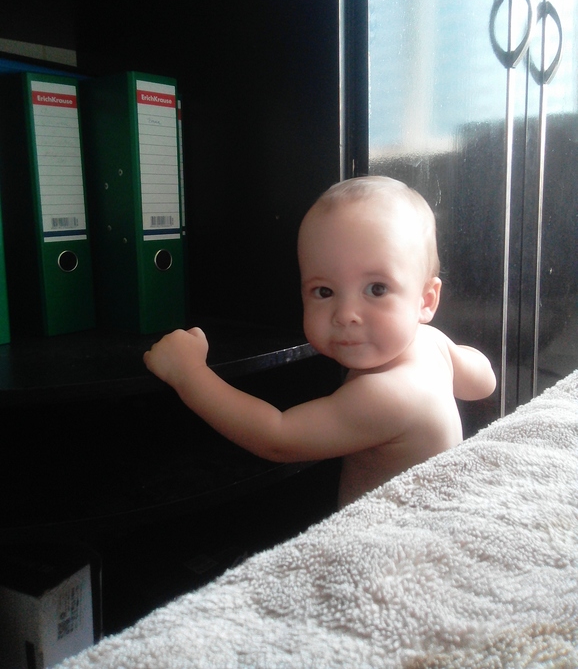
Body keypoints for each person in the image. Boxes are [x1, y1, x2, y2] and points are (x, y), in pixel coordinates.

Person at [143, 176, 496, 507]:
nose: (346, 314)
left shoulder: (387, 394)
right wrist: (455, 361)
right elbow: (483, 383)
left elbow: (278, 438)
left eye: (377, 289)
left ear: (426, 300)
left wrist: (188, 373)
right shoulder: (433, 344)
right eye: (324, 291)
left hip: (388, 541)